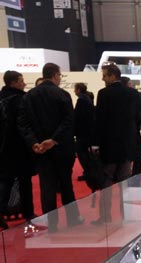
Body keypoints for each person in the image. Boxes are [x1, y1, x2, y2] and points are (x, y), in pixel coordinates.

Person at [17, 63, 82, 231]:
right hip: (62, 149)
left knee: (47, 187)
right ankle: (73, 219)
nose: (60, 78)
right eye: (59, 75)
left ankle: (52, 225)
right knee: (66, 185)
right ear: (54, 75)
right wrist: (53, 140)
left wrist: (34, 142)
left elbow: (23, 123)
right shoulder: (62, 94)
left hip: (40, 150)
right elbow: (69, 121)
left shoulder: (28, 96)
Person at [93, 63, 141, 223]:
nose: (103, 78)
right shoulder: (132, 93)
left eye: (105, 75)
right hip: (127, 145)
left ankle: (105, 217)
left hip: (110, 145)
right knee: (125, 183)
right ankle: (127, 216)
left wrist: (96, 143)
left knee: (106, 181)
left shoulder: (103, 94)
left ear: (112, 76)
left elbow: (100, 121)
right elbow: (139, 115)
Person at [0, 70, 36, 228]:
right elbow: (23, 125)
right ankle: (28, 213)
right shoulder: (21, 99)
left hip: (3, 149)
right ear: (13, 82)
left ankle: (2, 211)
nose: (24, 83)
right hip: (20, 148)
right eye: (21, 81)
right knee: (24, 182)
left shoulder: (2, 98)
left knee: (5, 182)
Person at [73, 82, 97, 189]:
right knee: (85, 154)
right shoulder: (87, 99)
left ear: (78, 90)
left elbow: (78, 117)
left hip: (82, 133)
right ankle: (89, 172)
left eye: (75, 89)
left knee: (82, 154)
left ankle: (88, 173)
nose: (74, 91)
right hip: (87, 133)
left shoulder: (81, 100)